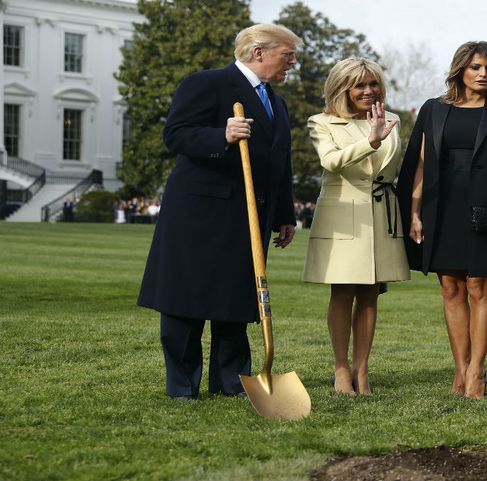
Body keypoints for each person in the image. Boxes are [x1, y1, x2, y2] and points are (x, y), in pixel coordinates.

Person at [137, 24, 301, 400]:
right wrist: (220, 136)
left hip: (248, 217)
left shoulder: (276, 102)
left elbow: (280, 162)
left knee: (236, 299)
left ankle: (232, 381)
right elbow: (175, 134)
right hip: (200, 214)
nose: (292, 62)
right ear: (259, 52)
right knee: (186, 300)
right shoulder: (207, 83)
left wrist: (284, 213)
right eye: (287, 54)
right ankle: (182, 385)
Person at [399, 42, 487, 400]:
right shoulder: (433, 109)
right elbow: (418, 163)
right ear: (460, 69)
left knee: (480, 285)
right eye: (476, 67)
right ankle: (460, 367)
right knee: (450, 287)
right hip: (441, 206)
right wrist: (414, 212)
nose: (483, 74)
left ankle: (477, 369)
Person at [303, 58, 410, 395]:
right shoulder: (321, 122)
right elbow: (330, 161)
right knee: (342, 292)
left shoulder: (392, 120)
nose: (368, 91)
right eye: (359, 85)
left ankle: (361, 370)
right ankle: (339, 369)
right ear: (343, 89)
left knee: (370, 294)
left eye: (373, 84)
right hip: (342, 214)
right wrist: (371, 141)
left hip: (382, 213)